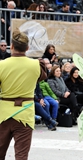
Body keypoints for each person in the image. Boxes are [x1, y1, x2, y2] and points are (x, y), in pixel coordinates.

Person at [0, 29, 47, 160]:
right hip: (25, 115)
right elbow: (42, 77)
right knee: (21, 156)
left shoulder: (1, 65)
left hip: (3, 114)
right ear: (27, 48)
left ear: (12, 46)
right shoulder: (37, 65)